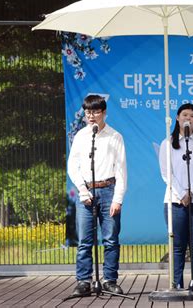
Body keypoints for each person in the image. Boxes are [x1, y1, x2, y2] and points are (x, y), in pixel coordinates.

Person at [68, 94, 127, 296]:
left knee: (111, 239)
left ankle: (110, 280)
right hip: (86, 192)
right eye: (87, 112)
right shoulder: (81, 136)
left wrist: (117, 198)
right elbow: (72, 167)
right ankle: (84, 281)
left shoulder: (115, 136)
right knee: (85, 240)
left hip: (108, 189)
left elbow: (121, 170)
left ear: (104, 113)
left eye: (95, 112)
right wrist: (83, 191)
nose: (91, 116)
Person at [159, 103, 193, 291]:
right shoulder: (167, 144)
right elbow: (167, 174)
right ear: (177, 118)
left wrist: (190, 191)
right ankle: (177, 284)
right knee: (178, 247)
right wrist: (182, 194)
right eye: (184, 115)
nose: (187, 118)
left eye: (192, 116)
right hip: (175, 202)